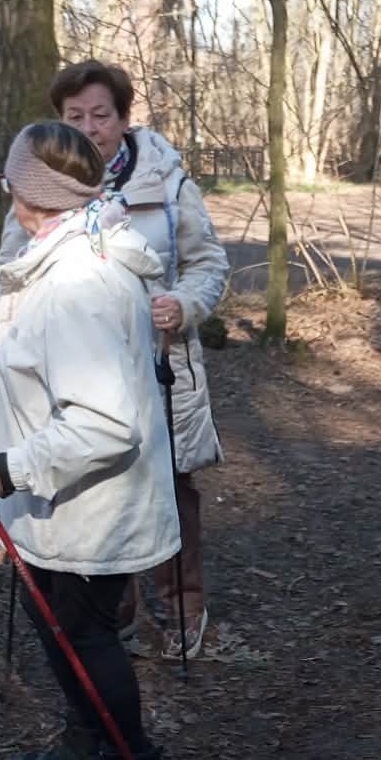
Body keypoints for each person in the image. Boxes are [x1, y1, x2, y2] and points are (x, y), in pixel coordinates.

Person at [0, 121, 182, 760]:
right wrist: (0, 407)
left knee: (85, 633)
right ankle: (86, 743)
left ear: (26, 194)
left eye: (7, 182)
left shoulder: (79, 281)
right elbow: (58, 377)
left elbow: (106, 423)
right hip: (60, 498)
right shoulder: (59, 256)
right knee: (59, 626)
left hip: (91, 503)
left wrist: (5, 466)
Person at [37, 61, 225, 659]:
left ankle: (182, 609)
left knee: (170, 486)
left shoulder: (165, 180)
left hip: (160, 361)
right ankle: (112, 612)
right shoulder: (41, 183)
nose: (89, 128)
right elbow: (11, 272)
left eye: (101, 114)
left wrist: (184, 303)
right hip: (79, 370)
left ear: (123, 118)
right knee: (96, 483)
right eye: (75, 116)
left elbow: (207, 262)